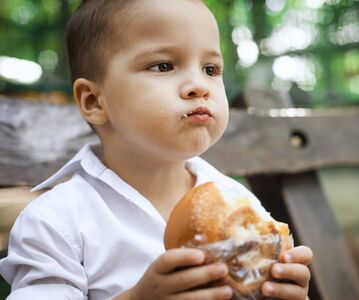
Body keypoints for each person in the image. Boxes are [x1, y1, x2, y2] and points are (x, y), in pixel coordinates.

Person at [0, 0, 313, 299]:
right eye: (163, 65)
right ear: (94, 101)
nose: (199, 85)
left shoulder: (240, 207)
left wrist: (280, 292)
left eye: (211, 69)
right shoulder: (55, 221)